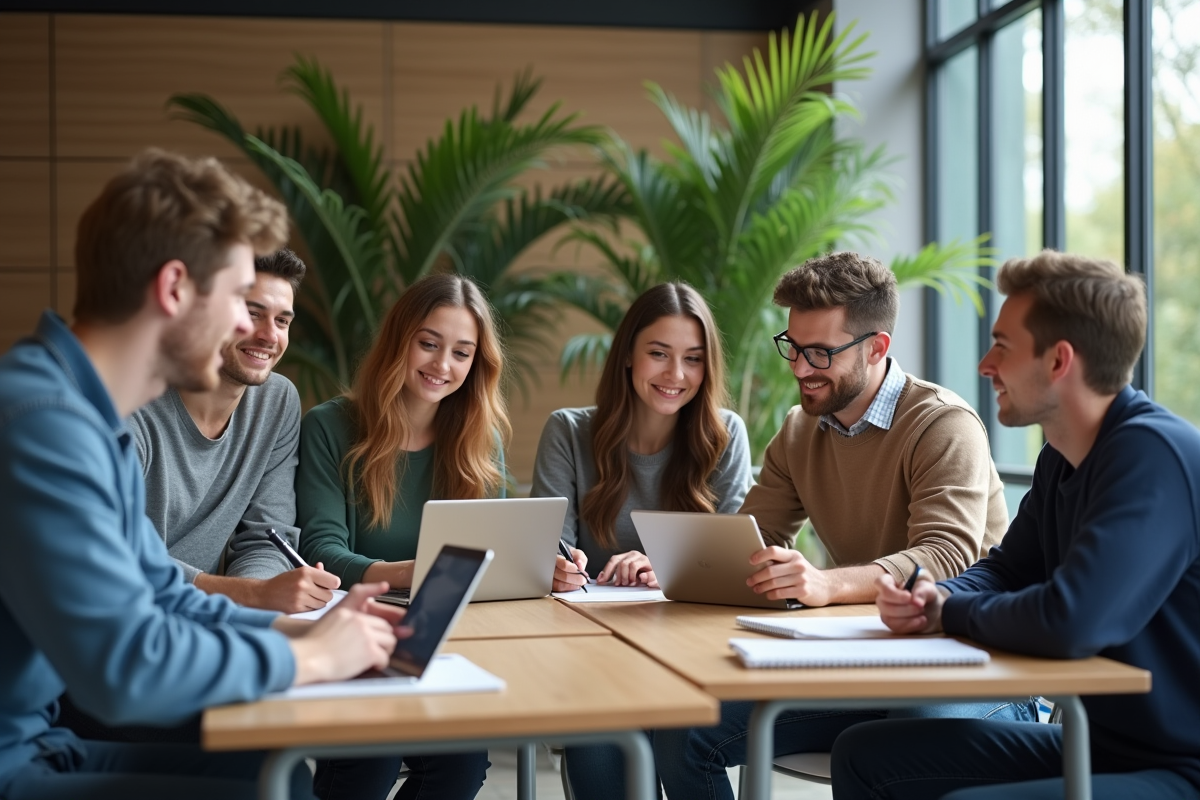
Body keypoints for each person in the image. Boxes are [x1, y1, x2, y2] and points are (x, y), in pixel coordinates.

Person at [0, 149, 405, 800]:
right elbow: (125, 666)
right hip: (17, 759)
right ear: (174, 289)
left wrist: (310, 631)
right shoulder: (43, 424)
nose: (250, 328)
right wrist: (314, 660)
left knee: (269, 776)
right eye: (239, 299)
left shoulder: (85, 415)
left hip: (41, 742)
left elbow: (164, 594)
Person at [654, 251, 1033, 800]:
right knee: (684, 727)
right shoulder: (799, 430)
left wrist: (827, 584)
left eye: (819, 353)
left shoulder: (942, 424)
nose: (800, 368)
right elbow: (753, 537)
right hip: (865, 661)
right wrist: (677, 562)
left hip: (973, 660)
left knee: (911, 738)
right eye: (793, 347)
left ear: (877, 347)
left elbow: (947, 556)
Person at [831, 251, 1200, 800]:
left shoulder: (1152, 456)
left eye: (1002, 346)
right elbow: (1007, 569)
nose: (985, 364)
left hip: (1181, 765)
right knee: (865, 754)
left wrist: (946, 611)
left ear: (1058, 362)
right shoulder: (1062, 455)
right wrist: (932, 593)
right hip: (1098, 745)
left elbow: (1072, 619)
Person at [530, 281, 752, 800]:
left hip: (693, 647)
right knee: (598, 744)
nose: (676, 375)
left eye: (693, 359)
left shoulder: (726, 435)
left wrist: (663, 562)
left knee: (683, 742)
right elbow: (546, 550)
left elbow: (736, 559)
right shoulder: (568, 431)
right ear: (628, 355)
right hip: (594, 653)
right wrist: (557, 568)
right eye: (659, 354)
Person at [297, 272, 508, 800]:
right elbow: (320, 549)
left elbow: (497, 547)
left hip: (448, 640)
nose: (443, 366)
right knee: (370, 763)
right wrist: (405, 573)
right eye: (429, 343)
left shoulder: (480, 440)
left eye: (462, 353)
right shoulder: (330, 426)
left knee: (462, 765)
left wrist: (546, 565)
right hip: (356, 635)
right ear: (399, 340)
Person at [127, 247, 338, 614]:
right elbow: (118, 554)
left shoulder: (277, 402)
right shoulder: (132, 404)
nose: (269, 336)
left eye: (283, 321)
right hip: (121, 622)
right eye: (251, 313)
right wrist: (249, 595)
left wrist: (259, 596)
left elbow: (266, 537)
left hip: (206, 620)